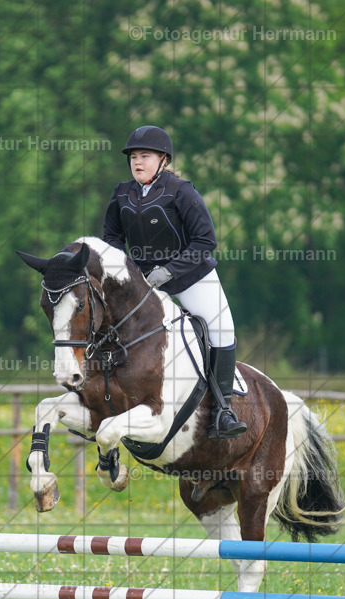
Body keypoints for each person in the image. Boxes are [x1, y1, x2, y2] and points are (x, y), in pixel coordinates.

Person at [102, 125, 246, 439]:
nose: (137, 162)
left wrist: (168, 270)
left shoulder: (181, 191)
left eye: (145, 156)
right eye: (134, 157)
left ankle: (223, 409)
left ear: (163, 160)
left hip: (192, 278)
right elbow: (111, 239)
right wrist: (127, 272)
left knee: (222, 329)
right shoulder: (121, 193)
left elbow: (205, 241)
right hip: (143, 285)